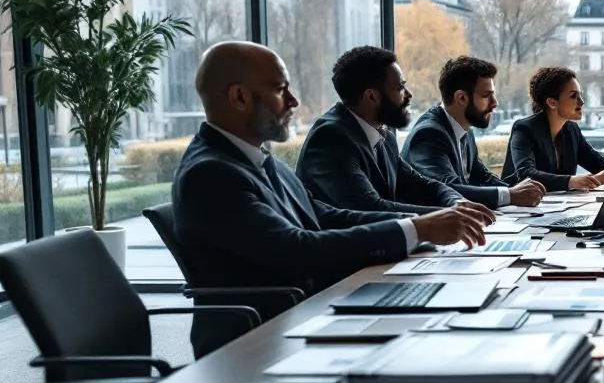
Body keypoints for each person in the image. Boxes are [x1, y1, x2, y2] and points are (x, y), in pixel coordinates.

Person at [173, 41, 493, 317]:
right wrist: (416, 228)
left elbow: (325, 214)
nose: (294, 102)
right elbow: (297, 251)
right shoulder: (211, 174)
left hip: (309, 308)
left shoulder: (254, 159)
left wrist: (421, 226)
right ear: (240, 97)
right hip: (262, 335)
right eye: (280, 88)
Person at [296, 46, 474, 215]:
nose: (408, 94)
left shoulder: (383, 134)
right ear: (371, 96)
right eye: (400, 87)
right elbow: (371, 208)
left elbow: (421, 184)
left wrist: (456, 202)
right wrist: (449, 216)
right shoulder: (331, 139)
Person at [402, 56, 546, 209]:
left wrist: (521, 191)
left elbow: (482, 176)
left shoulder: (462, 126)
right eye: (486, 95)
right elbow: (448, 188)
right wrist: (510, 195)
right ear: (461, 98)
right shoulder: (428, 134)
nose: (495, 102)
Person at [503, 67, 604, 192]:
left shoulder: (572, 130)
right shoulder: (525, 129)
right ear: (552, 102)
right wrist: (571, 181)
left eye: (580, 95)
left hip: (557, 206)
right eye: (574, 96)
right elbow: (526, 174)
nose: (582, 102)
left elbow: (599, 163)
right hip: (517, 207)